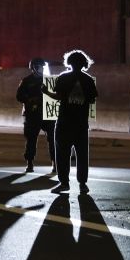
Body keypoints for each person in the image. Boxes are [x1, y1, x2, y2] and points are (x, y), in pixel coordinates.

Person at [46, 49, 98, 195]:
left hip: (64, 121)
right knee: (82, 155)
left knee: (62, 154)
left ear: (69, 62)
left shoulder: (63, 77)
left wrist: (46, 92)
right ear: (84, 63)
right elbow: (93, 99)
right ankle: (82, 184)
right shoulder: (88, 80)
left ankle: (64, 183)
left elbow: (58, 96)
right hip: (81, 123)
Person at [15, 57, 56, 174]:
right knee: (31, 139)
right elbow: (19, 96)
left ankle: (55, 163)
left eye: (43, 67)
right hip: (32, 114)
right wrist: (30, 99)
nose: (42, 69)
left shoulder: (48, 80)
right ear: (33, 67)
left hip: (48, 114)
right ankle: (30, 163)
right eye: (40, 66)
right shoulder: (26, 81)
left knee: (52, 140)